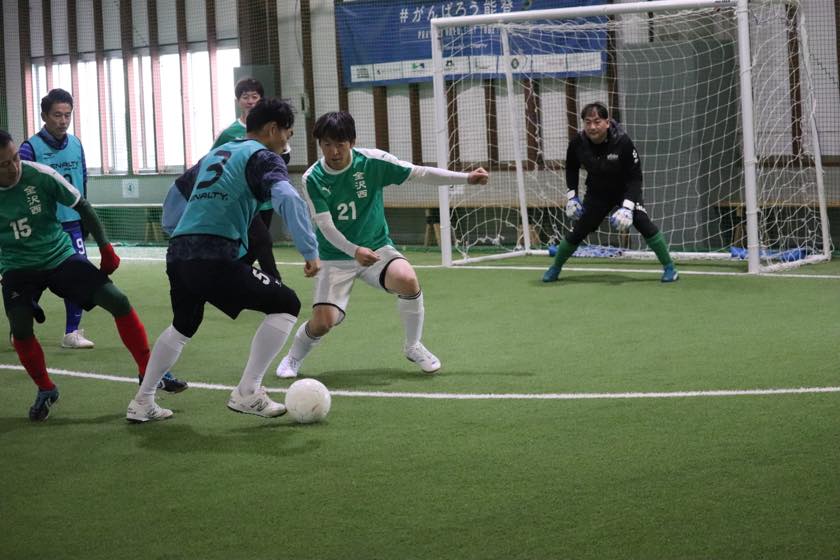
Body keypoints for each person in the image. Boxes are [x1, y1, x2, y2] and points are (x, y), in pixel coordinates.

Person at [126, 98, 320, 423]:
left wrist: (180, 233)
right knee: (287, 303)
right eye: (288, 134)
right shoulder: (263, 157)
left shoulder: (218, 153)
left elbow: (176, 194)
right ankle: (248, 392)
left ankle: (142, 401)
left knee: (183, 324)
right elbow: (287, 197)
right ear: (273, 129)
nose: (287, 142)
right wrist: (309, 250)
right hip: (213, 256)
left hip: (179, 253)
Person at [275, 110, 489, 380]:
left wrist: (465, 178)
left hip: (377, 248)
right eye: (326, 144)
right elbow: (325, 226)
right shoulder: (313, 177)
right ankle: (293, 357)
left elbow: (420, 173)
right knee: (324, 322)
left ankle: (413, 346)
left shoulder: (372, 162)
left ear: (352, 142)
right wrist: (354, 251)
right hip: (335, 256)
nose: (334, 152)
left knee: (407, 279)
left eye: (340, 144)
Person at [0, 129, 184, 421]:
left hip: (59, 256)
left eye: (15, 159)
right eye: (4, 164)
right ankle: (46, 389)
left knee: (118, 300)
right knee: (20, 329)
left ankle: (149, 372)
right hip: (17, 266)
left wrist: (106, 247)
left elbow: (82, 205)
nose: (13, 167)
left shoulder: (40, 175)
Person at [542, 102, 679, 283]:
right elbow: (571, 169)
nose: (592, 127)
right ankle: (555, 268)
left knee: (643, 223)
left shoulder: (623, 142)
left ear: (607, 122)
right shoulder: (577, 143)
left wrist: (627, 207)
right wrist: (572, 197)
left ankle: (670, 268)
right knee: (579, 230)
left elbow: (635, 178)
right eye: (588, 122)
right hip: (597, 192)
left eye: (597, 121)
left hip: (625, 191)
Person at [18, 88, 94, 348]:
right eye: (57, 115)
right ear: (44, 116)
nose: (63, 121)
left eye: (67, 115)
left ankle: (72, 333)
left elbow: (83, 181)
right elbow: (20, 188)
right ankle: (21, 329)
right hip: (42, 227)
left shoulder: (77, 144)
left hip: (72, 224)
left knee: (79, 276)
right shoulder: (29, 148)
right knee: (34, 281)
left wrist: (85, 219)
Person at [212, 77, 284, 281]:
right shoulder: (229, 133)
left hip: (265, 199)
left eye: (254, 96)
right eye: (245, 97)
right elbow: (213, 160)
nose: (250, 101)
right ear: (238, 101)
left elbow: (281, 154)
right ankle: (276, 286)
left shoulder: (271, 129)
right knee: (263, 241)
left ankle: (230, 279)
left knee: (253, 246)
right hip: (242, 199)